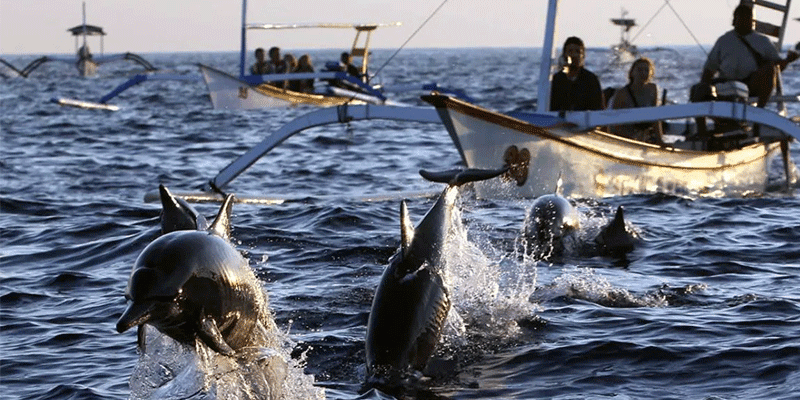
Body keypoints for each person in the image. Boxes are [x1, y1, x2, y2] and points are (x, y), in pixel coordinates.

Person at [692, 4, 798, 135]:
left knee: (770, 69)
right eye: (741, 18)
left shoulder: (763, 41)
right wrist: (704, 87)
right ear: (734, 20)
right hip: (726, 84)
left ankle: (757, 115)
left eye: (748, 19)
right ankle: (703, 132)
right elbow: (709, 70)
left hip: (750, 85)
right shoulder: (724, 40)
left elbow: (776, 68)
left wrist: (787, 60)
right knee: (697, 90)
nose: (745, 21)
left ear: (753, 22)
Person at [610, 57, 663, 144]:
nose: (643, 73)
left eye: (646, 70)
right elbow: (613, 124)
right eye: (639, 70)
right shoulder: (622, 93)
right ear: (632, 72)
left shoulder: (653, 89)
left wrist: (660, 140)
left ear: (651, 73)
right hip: (625, 138)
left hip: (645, 137)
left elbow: (656, 117)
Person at [549, 36, 605, 112]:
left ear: (583, 56)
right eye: (570, 51)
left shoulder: (591, 80)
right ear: (564, 54)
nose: (574, 55)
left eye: (578, 52)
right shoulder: (556, 80)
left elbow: (598, 111)